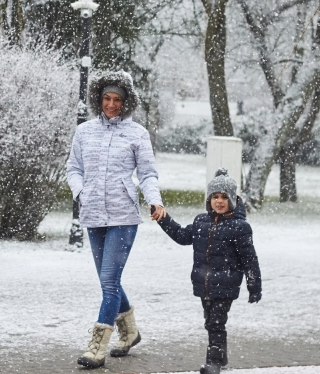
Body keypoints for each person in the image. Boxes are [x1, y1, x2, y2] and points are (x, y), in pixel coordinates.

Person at [66, 70, 166, 369]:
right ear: (99, 99)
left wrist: (155, 200)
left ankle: (97, 346)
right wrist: (81, 192)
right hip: (93, 213)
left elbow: (147, 174)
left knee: (109, 282)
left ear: (126, 102)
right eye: (107, 99)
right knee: (108, 280)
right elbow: (74, 168)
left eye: (117, 100)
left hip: (124, 215)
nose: (111, 104)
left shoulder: (137, 133)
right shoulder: (84, 131)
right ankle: (130, 331)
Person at [155, 169, 262, 374]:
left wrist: (254, 285)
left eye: (224, 197)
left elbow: (249, 259)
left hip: (226, 285)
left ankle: (213, 362)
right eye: (215, 197)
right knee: (210, 322)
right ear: (209, 199)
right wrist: (163, 219)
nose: (219, 201)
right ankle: (220, 355)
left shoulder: (240, 227)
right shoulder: (201, 222)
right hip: (204, 284)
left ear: (232, 200)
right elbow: (182, 236)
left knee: (215, 323)